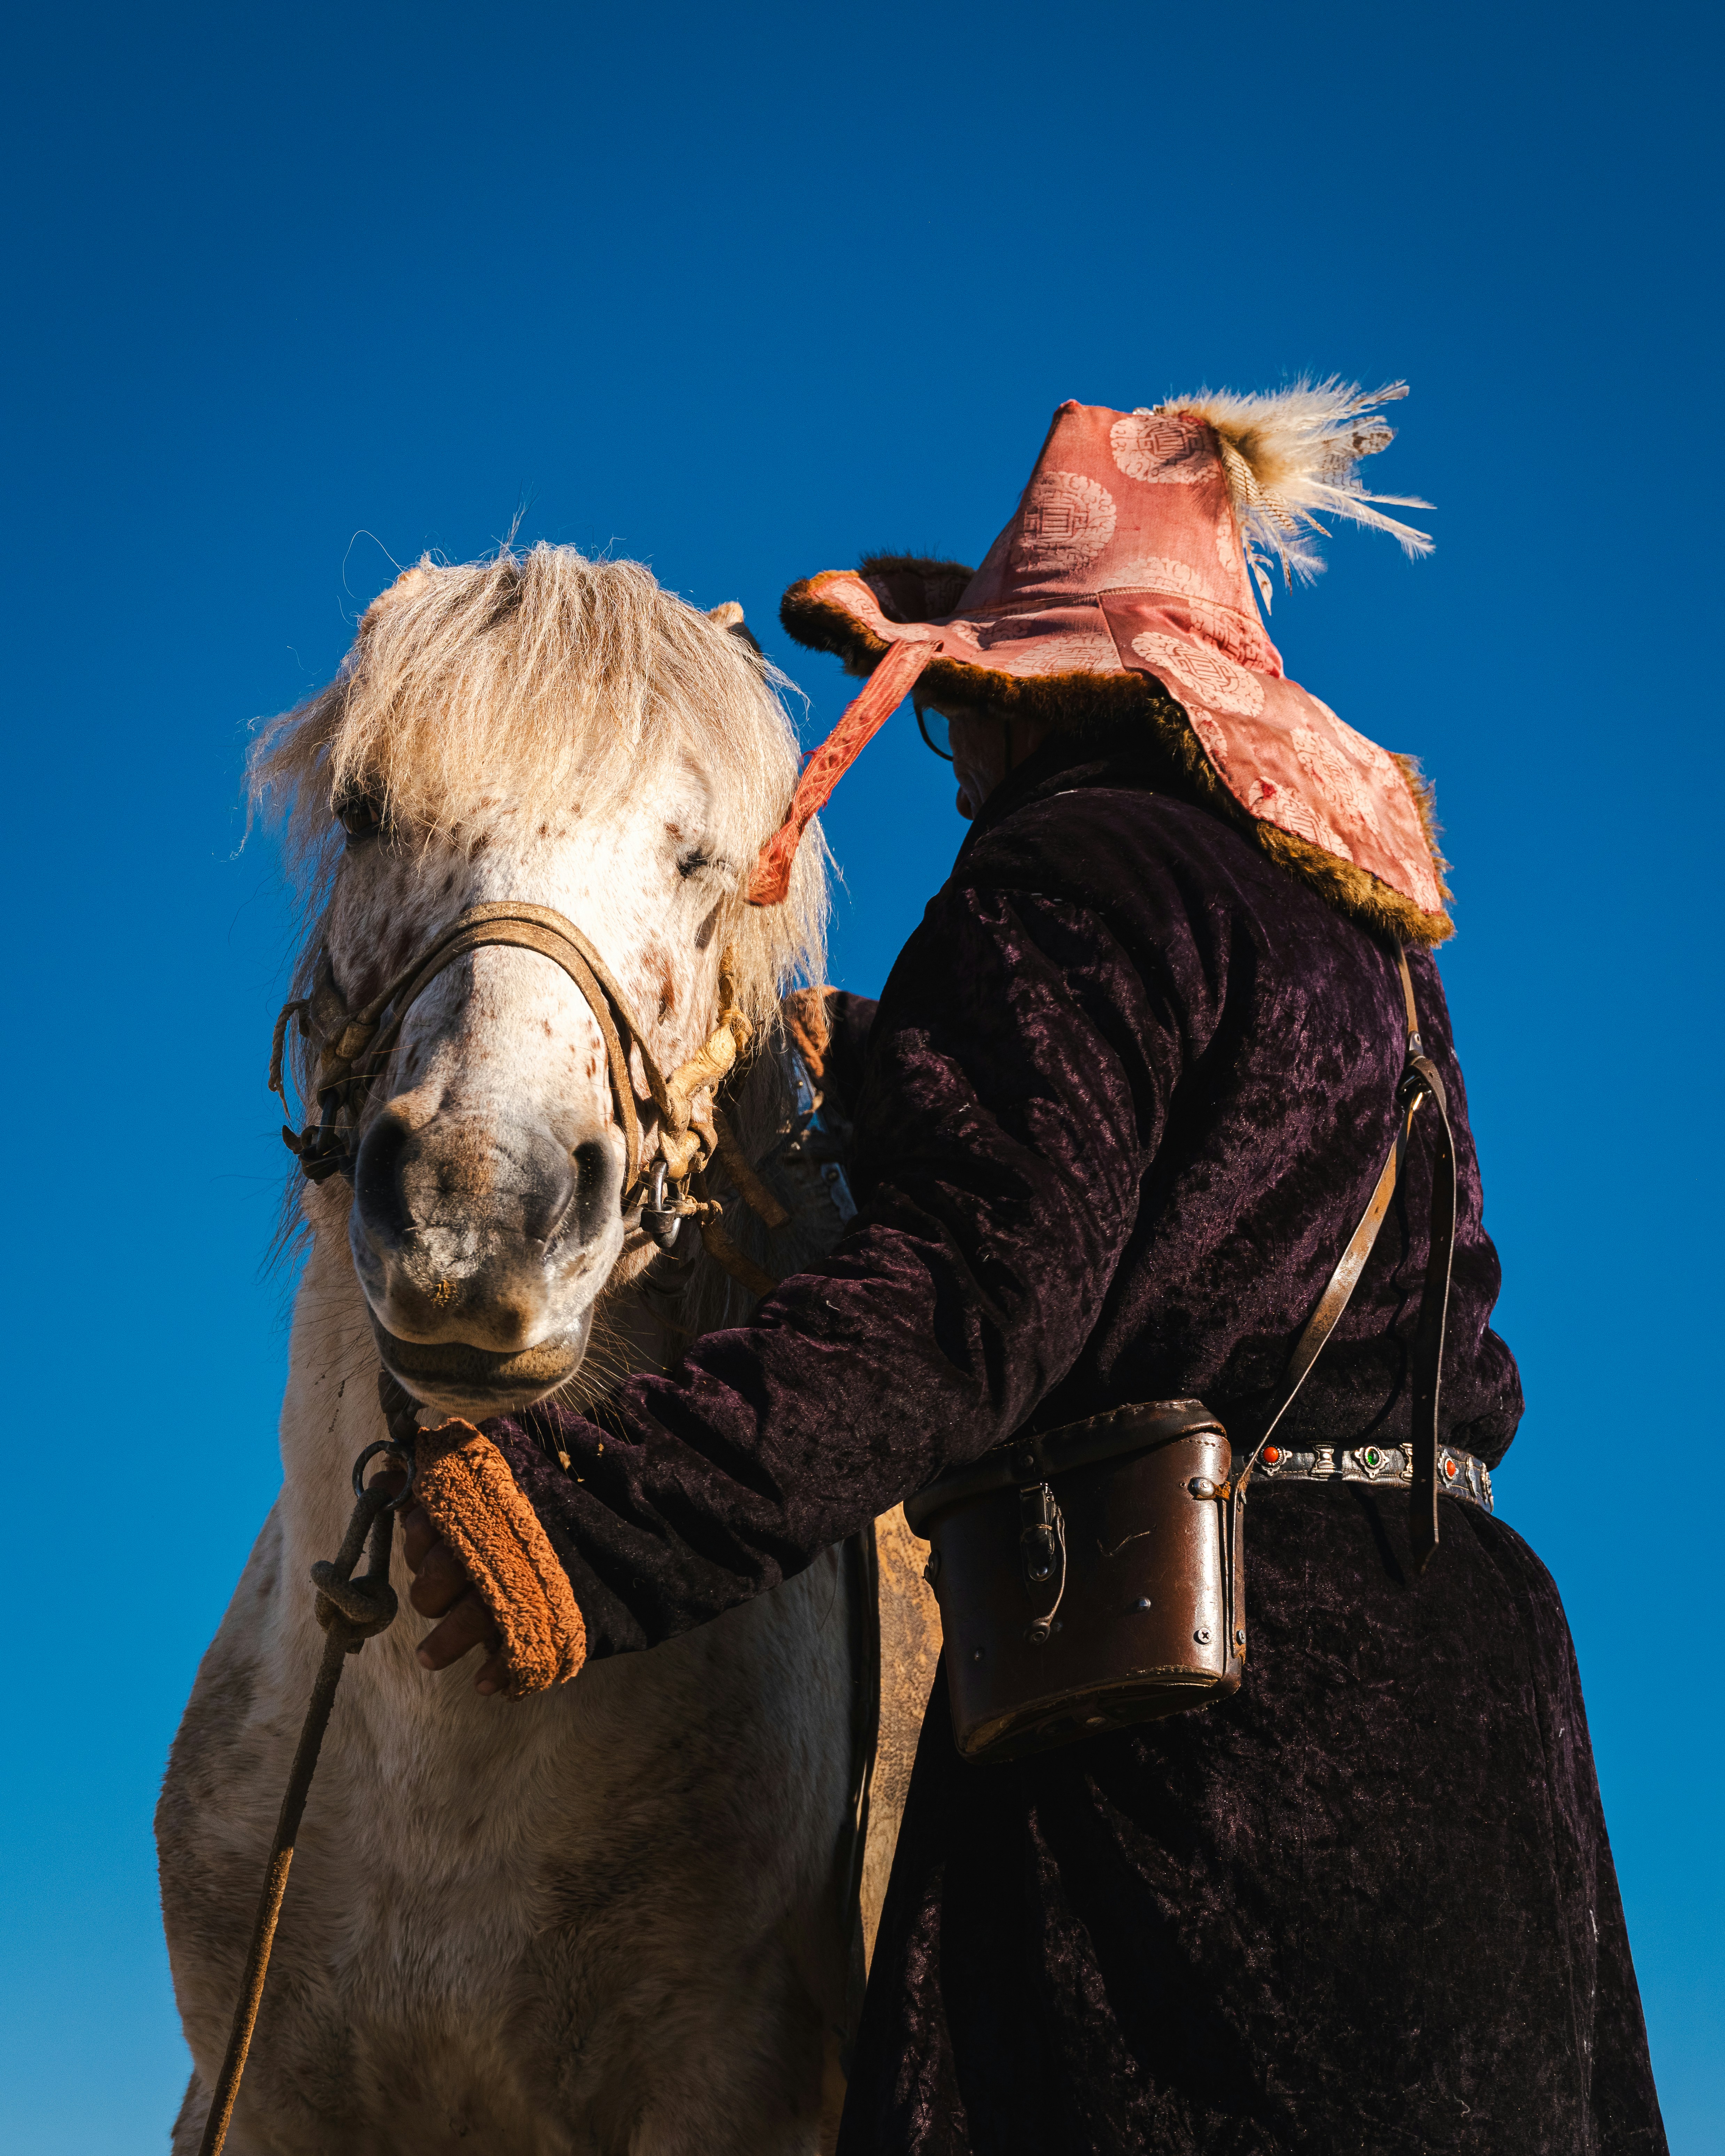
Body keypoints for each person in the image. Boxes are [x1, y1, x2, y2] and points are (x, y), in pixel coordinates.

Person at [401, 388, 1667, 2152]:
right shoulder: (1352, 934)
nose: (956, 754)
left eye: (967, 704)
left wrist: (589, 1519)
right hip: (1472, 1710)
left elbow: (966, 1308)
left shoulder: (1069, 875)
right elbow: (1202, 1219)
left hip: (1207, 1738)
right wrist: (919, 1080)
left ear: (1037, 692)